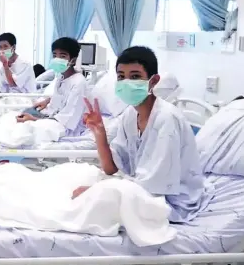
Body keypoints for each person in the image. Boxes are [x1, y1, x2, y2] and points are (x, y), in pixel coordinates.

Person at [73, 46, 213, 223]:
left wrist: (98, 191)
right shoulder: (130, 116)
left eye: (135, 76)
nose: (126, 82)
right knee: (78, 186)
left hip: (171, 201)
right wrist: (100, 134)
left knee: (89, 202)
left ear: (153, 81)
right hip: (142, 190)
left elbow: (153, 187)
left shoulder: (166, 120)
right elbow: (111, 168)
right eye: (121, 77)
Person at [16, 37, 87, 137]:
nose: (57, 59)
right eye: (54, 55)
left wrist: (34, 119)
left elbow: (68, 119)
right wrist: (47, 101)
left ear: (73, 60)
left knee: (25, 129)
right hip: (51, 118)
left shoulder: (79, 82)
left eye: (62, 56)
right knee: (15, 118)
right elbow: (60, 99)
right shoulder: (60, 77)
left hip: (63, 128)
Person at [0, 33, 36, 104]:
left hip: (26, 99)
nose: (2, 50)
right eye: (0, 47)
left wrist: (5, 65)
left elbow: (13, 83)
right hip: (10, 99)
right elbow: (0, 88)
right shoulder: (2, 68)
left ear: (13, 47)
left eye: (5, 47)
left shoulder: (25, 65)